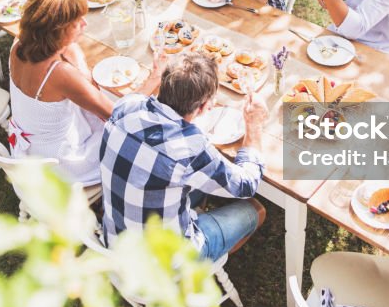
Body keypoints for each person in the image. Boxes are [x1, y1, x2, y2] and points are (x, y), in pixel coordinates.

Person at [99, 52, 268, 260]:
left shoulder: (125, 107)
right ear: (206, 106)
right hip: (161, 269)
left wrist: (154, 75)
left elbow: (139, 98)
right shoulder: (191, 148)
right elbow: (247, 185)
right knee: (254, 209)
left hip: (115, 245)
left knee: (192, 183)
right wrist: (254, 124)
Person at [8, 0, 163, 186]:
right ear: (58, 31)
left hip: (33, 147)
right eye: (77, 22)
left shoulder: (20, 44)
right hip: (61, 165)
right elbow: (119, 116)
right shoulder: (58, 73)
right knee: (138, 132)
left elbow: (71, 50)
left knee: (99, 102)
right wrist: (155, 77)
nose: (85, 24)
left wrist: (80, 65)